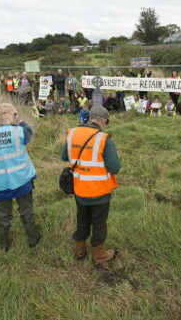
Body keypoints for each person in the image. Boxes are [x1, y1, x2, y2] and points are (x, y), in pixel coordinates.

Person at [61, 106, 120, 264]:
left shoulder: (72, 133)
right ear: (102, 120)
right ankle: (99, 255)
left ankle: (79, 250)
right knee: (99, 223)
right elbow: (115, 168)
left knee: (82, 219)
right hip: (99, 192)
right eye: (105, 123)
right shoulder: (104, 139)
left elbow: (64, 155)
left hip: (79, 190)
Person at [0, 103, 41, 251]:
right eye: (15, 114)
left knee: (3, 215)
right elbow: (28, 131)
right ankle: (33, 238)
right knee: (26, 211)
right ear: (12, 116)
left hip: (0, 184)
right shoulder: (18, 132)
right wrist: (20, 120)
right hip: (21, 181)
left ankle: (5, 244)